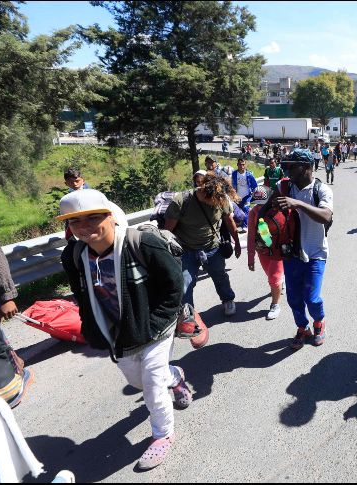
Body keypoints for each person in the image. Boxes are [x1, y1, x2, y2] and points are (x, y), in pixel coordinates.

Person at [58, 189, 191, 470]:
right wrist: (90, 327)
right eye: (75, 221)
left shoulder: (141, 243)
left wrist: (155, 323)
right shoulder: (74, 256)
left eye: (92, 218)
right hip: (119, 333)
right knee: (138, 383)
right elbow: (81, 294)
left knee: (152, 384)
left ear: (110, 216)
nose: (84, 227)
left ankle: (162, 434)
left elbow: (174, 285)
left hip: (155, 327)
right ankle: (175, 376)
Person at [274, 149, 333, 350]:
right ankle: (302, 327)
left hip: (316, 252)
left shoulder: (321, 190)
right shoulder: (283, 187)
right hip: (291, 253)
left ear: (307, 167)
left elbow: (326, 216)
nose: (288, 170)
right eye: (287, 166)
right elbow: (265, 210)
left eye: (293, 166)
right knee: (294, 298)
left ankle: (319, 321)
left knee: (312, 297)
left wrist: (297, 203)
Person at [164, 175, 241, 316]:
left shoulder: (221, 199)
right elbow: (167, 231)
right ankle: (188, 313)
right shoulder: (182, 201)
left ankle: (228, 299)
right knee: (185, 283)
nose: (217, 203)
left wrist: (237, 242)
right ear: (206, 193)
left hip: (212, 247)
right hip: (187, 249)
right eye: (215, 200)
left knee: (220, 276)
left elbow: (229, 221)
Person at [247, 186, 284, 320]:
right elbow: (251, 235)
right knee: (270, 275)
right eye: (257, 203)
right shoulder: (253, 212)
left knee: (273, 278)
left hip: (278, 250)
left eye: (263, 203)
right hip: (262, 250)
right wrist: (250, 257)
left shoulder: (280, 209)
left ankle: (275, 305)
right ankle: (280, 283)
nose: (260, 206)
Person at [231, 158, 259, 231]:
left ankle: (245, 226)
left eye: (243, 164)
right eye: (240, 164)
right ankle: (240, 223)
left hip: (247, 196)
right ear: (237, 165)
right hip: (237, 196)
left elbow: (255, 185)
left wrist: (255, 194)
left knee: (246, 209)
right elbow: (231, 184)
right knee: (238, 210)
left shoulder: (249, 174)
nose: (242, 166)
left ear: (245, 165)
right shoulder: (234, 174)